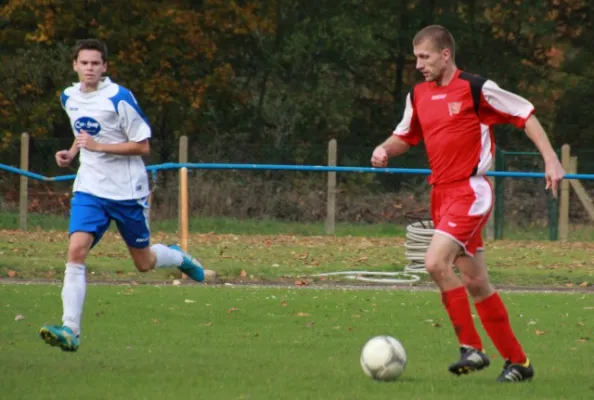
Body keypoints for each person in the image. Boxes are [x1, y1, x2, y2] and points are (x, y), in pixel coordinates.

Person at [371, 25, 564, 382]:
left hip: (470, 191)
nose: (418, 65)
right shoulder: (418, 95)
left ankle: (471, 347)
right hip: (441, 194)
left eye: (424, 57)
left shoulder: (476, 88)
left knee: (434, 262)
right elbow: (405, 135)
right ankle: (519, 363)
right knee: (476, 282)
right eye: (416, 57)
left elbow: (526, 115)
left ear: (445, 55)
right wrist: (384, 149)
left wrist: (551, 159)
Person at [40, 39, 207, 352]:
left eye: (95, 63)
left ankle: (178, 256)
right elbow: (85, 132)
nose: (89, 68)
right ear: (75, 65)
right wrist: (71, 152)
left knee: (143, 263)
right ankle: (70, 330)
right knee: (76, 250)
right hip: (90, 188)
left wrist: (98, 147)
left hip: (127, 191)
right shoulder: (69, 96)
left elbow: (142, 146)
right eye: (84, 63)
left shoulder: (119, 97)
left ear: (104, 67)